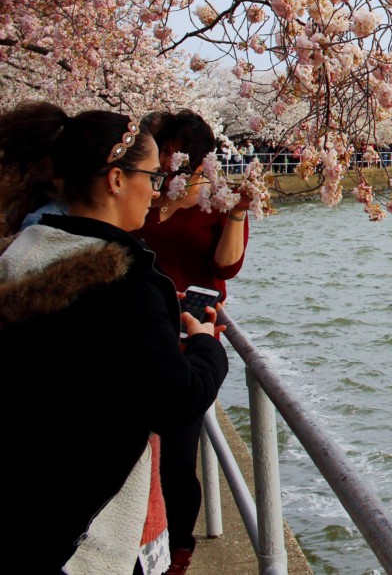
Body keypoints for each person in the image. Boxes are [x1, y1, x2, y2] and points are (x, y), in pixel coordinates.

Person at [0, 102, 228, 575]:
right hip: (82, 527)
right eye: (151, 175)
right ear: (116, 179)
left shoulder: (26, 248)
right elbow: (175, 399)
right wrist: (206, 344)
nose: (158, 189)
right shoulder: (123, 279)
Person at [136, 109, 251, 574]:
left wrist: (236, 213)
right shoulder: (139, 188)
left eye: (180, 153)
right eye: (164, 151)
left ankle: (178, 547)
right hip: (141, 318)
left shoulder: (217, 197)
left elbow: (226, 267)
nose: (171, 162)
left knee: (179, 452)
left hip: (188, 324)